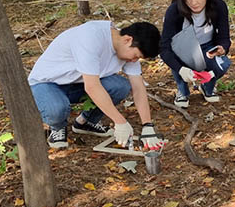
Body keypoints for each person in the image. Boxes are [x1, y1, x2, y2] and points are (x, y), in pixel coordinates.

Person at [28, 21, 166, 151]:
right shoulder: (91, 37)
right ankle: (57, 127)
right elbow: (92, 87)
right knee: (56, 108)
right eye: (136, 56)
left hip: (79, 83)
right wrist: (120, 122)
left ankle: (86, 122)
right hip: (46, 84)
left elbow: (138, 87)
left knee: (120, 86)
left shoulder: (127, 47)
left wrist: (147, 125)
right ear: (127, 39)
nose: (134, 60)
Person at [159, 0, 231, 107]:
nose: (193, 2)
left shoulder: (218, 6)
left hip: (208, 47)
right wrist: (180, 69)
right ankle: (182, 90)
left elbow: (224, 37)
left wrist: (222, 47)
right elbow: (164, 47)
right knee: (176, 59)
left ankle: (207, 87)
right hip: (182, 49)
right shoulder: (174, 11)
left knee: (224, 64)